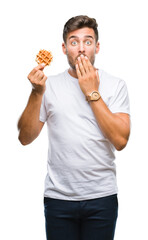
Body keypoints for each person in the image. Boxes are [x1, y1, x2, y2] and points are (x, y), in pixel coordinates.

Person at [18, 15, 130, 240]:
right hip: (58, 198)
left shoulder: (116, 85)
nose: (81, 49)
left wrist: (92, 92)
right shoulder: (48, 86)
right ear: (64, 47)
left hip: (102, 197)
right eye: (74, 42)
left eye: (88, 42)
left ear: (97, 47)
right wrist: (36, 92)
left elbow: (120, 141)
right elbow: (25, 137)